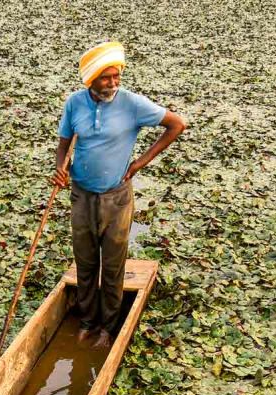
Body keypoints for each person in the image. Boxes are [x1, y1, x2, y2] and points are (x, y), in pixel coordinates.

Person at [51, 41, 186, 348]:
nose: (112, 83)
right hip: (82, 195)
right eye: (104, 78)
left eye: (116, 76)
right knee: (85, 263)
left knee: (112, 266)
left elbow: (177, 124)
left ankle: (108, 329)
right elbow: (63, 144)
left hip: (116, 197)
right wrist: (60, 168)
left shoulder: (132, 104)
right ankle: (87, 321)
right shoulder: (74, 103)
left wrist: (139, 163)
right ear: (91, 79)